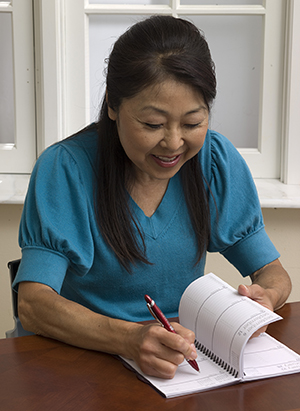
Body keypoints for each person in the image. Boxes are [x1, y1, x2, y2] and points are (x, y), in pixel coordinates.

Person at [14, 15, 291, 379]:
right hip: (83, 362)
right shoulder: (65, 168)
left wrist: (265, 298)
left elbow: (273, 273)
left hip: (177, 360)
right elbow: (34, 305)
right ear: (113, 105)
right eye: (153, 124)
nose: (174, 143)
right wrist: (129, 338)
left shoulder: (214, 160)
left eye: (192, 123)